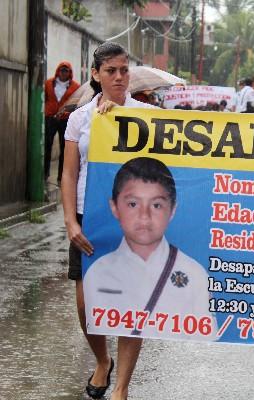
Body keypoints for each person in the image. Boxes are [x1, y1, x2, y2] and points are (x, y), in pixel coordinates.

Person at [62, 41, 156, 400]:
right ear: (96, 75)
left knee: (131, 303)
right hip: (90, 219)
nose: (119, 77)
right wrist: (71, 222)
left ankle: (121, 386)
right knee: (87, 305)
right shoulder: (79, 119)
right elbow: (69, 175)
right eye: (111, 71)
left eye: (124, 69)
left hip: (134, 222)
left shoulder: (147, 115)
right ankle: (103, 360)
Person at [84, 157, 216, 340]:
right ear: (114, 207)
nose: (144, 216)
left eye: (156, 205)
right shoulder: (98, 273)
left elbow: (206, 336)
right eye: (133, 204)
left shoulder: (195, 275)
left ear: (173, 210)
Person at [44, 61, 80, 184]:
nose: (64, 73)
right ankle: (45, 173)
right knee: (47, 146)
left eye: (66, 71)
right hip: (50, 118)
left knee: (65, 148)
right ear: (58, 71)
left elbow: (76, 103)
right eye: (62, 70)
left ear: (70, 73)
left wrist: (65, 113)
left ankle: (61, 176)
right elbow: (45, 98)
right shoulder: (48, 83)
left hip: (65, 120)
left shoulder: (75, 87)